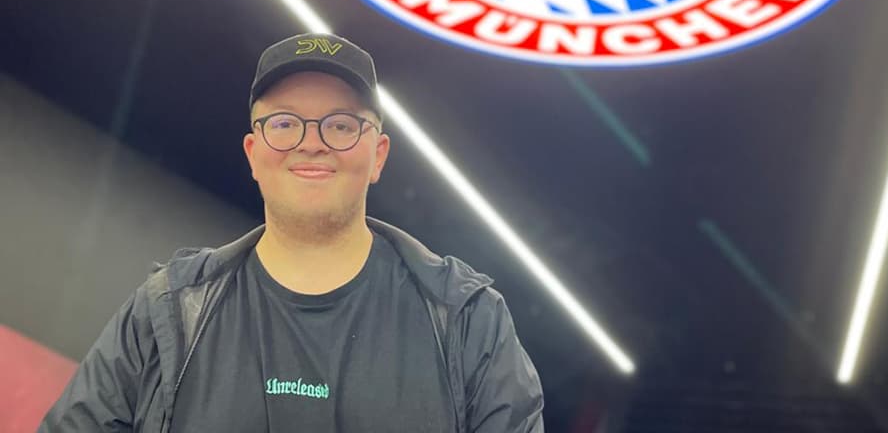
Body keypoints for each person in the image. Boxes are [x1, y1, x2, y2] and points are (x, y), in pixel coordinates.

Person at [39, 33, 545, 432]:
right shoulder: (167, 312)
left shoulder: (466, 321)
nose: (312, 144)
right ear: (253, 153)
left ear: (379, 156)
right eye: (283, 124)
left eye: (342, 125)